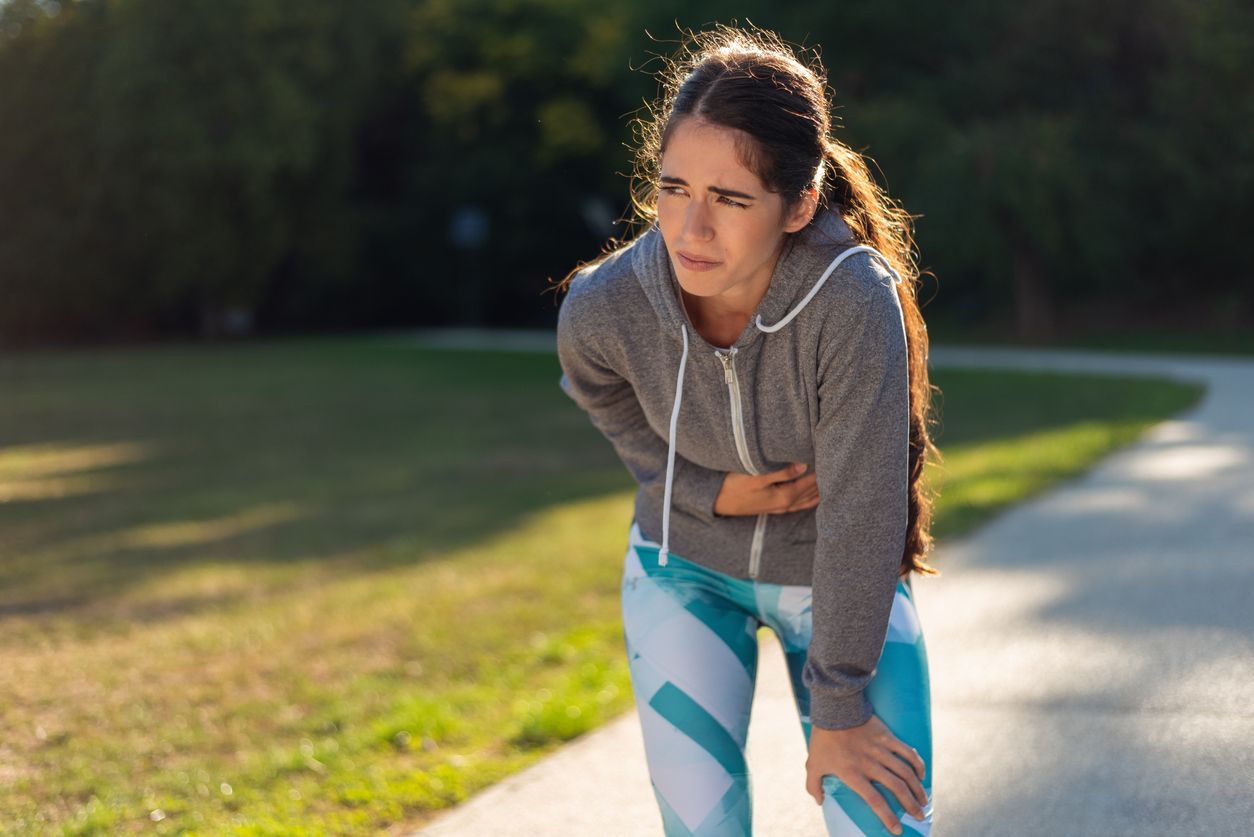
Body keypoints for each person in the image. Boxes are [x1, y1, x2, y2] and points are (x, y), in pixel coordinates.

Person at [551, 23, 942, 837]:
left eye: (730, 199)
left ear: (799, 203)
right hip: (680, 569)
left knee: (888, 825)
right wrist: (694, 489)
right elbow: (597, 388)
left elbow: (866, 513)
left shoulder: (850, 300)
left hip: (832, 580)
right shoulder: (608, 305)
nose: (693, 230)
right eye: (674, 189)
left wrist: (839, 705)